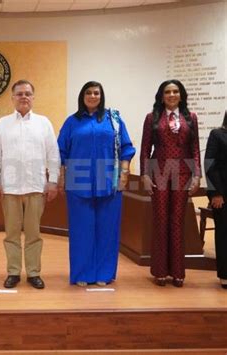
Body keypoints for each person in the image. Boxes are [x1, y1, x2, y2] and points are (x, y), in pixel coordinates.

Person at [58, 81, 135, 287]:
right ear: (82, 96)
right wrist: (61, 177)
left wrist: (125, 173)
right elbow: (61, 151)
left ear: (101, 96)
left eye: (96, 93)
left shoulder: (114, 120)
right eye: (89, 93)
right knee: (81, 230)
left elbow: (127, 147)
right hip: (78, 181)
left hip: (108, 180)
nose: (93, 96)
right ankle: (82, 273)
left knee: (107, 229)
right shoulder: (72, 122)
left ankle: (104, 273)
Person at [0, 79, 60, 289]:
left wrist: (53, 181)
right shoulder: (3, 123)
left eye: (27, 93)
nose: (23, 97)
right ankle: (13, 272)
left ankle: (33, 272)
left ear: (33, 97)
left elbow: (53, 155)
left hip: (36, 187)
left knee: (33, 234)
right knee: (11, 234)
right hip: (9, 188)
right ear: (12, 98)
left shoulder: (43, 123)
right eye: (19, 94)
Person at [140, 79, 201, 287]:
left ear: (181, 95)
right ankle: (160, 271)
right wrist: (145, 175)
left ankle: (177, 272)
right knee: (161, 220)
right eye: (168, 92)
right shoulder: (152, 118)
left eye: (175, 91)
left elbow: (195, 149)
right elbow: (145, 149)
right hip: (159, 173)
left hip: (183, 174)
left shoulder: (190, 117)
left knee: (177, 221)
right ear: (161, 95)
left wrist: (197, 175)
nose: (172, 95)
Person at [204, 110, 227, 289]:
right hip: (223, 194)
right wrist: (216, 193)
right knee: (224, 234)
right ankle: (225, 275)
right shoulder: (217, 134)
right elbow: (210, 164)